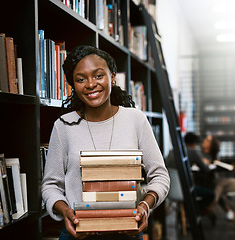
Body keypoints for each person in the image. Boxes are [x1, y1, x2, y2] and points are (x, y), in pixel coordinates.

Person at [41, 45, 170, 240]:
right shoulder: (63, 126)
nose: (91, 84)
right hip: (78, 233)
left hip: (127, 231)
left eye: (98, 75)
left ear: (113, 76)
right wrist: (65, 211)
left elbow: (160, 176)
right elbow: (50, 185)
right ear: (73, 85)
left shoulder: (135, 119)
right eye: (81, 79)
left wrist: (144, 207)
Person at [165, 132, 215, 219]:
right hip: (185, 190)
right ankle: (192, 211)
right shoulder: (192, 152)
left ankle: (187, 212)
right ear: (194, 143)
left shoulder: (171, 151)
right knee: (211, 195)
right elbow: (205, 169)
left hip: (169, 191)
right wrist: (206, 162)